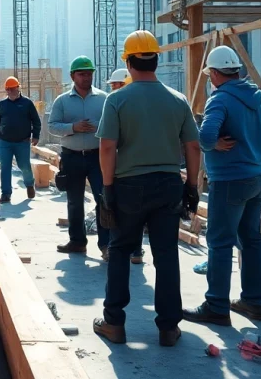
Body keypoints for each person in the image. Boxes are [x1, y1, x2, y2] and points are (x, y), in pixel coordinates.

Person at [93, 30, 201, 347]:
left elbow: (107, 148)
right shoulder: (177, 99)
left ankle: (114, 323)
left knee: (120, 252)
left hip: (128, 187)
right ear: (156, 59)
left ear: (128, 62)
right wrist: (192, 187)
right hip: (168, 185)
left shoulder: (117, 99)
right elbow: (193, 147)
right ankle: (168, 327)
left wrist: (108, 189)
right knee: (166, 254)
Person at [182, 45, 261, 326]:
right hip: (258, 179)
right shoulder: (260, 101)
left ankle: (217, 306)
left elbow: (206, 136)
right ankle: (253, 302)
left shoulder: (220, 99)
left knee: (220, 242)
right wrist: (256, 160)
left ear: (213, 73)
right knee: (251, 239)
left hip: (230, 180)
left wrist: (215, 145)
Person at [49, 56, 110, 257]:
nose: (86, 77)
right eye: (82, 74)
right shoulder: (62, 101)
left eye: (89, 74)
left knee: (103, 198)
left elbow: (113, 126)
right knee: (74, 201)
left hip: (97, 157)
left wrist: (99, 129)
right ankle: (77, 241)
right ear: (72, 76)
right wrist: (72, 128)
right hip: (72, 157)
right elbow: (52, 127)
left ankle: (106, 245)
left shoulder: (103, 99)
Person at [106, 67, 144, 264]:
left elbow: (107, 144)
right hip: (132, 167)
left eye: (116, 85)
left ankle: (124, 250)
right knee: (135, 215)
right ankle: (135, 251)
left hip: (124, 170)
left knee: (123, 214)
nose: (113, 89)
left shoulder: (117, 104)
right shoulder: (141, 104)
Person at [0, 76, 40, 203]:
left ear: (18, 88)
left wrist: (35, 135)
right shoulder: (2, 104)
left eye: (13, 89)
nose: (11, 91)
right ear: (6, 90)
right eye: (8, 89)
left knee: (24, 166)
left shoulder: (27, 103)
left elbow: (36, 120)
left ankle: (29, 184)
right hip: (5, 142)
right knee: (5, 167)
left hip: (22, 142)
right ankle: (6, 194)